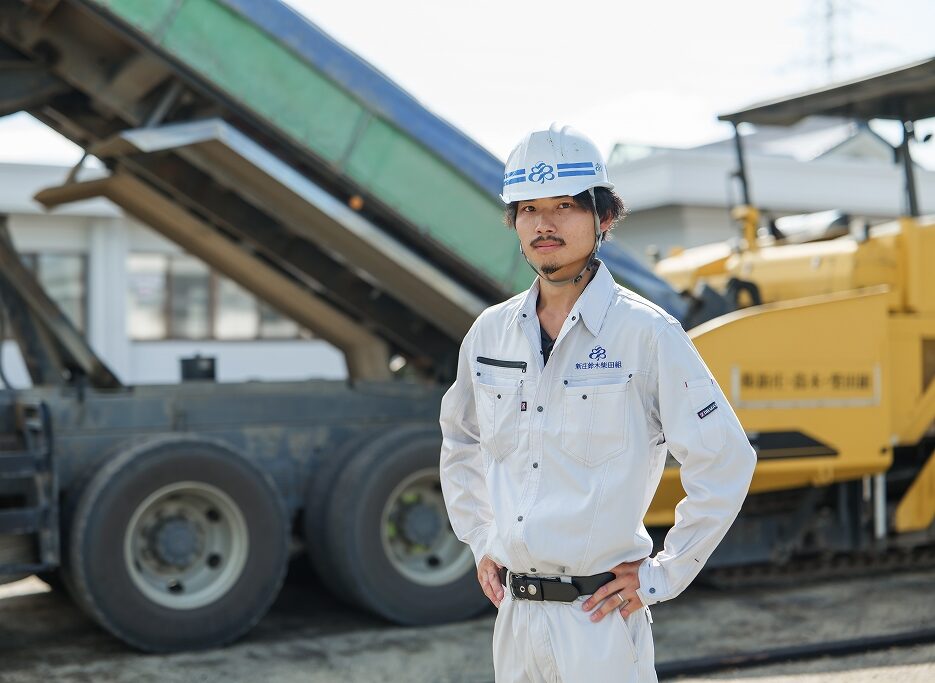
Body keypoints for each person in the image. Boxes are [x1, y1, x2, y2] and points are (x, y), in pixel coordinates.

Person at [439, 123, 756, 683]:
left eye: (564, 205)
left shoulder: (646, 334)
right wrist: (483, 538)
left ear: (602, 217)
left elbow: (726, 459)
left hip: (600, 621)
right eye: (529, 208)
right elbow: (461, 441)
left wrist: (662, 574)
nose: (544, 223)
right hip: (515, 620)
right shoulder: (489, 335)